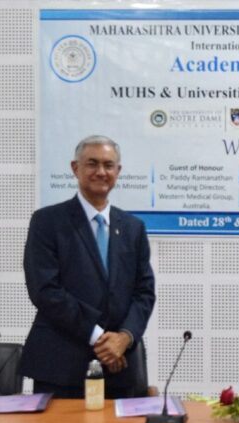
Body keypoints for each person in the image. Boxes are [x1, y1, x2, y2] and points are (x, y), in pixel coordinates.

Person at [21, 135, 155, 398]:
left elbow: (144, 292)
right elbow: (45, 290)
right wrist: (100, 337)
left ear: (118, 171)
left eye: (108, 165)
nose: (101, 172)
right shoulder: (47, 222)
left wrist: (124, 338)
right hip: (61, 365)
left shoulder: (132, 228)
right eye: (92, 164)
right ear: (75, 168)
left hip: (121, 367)